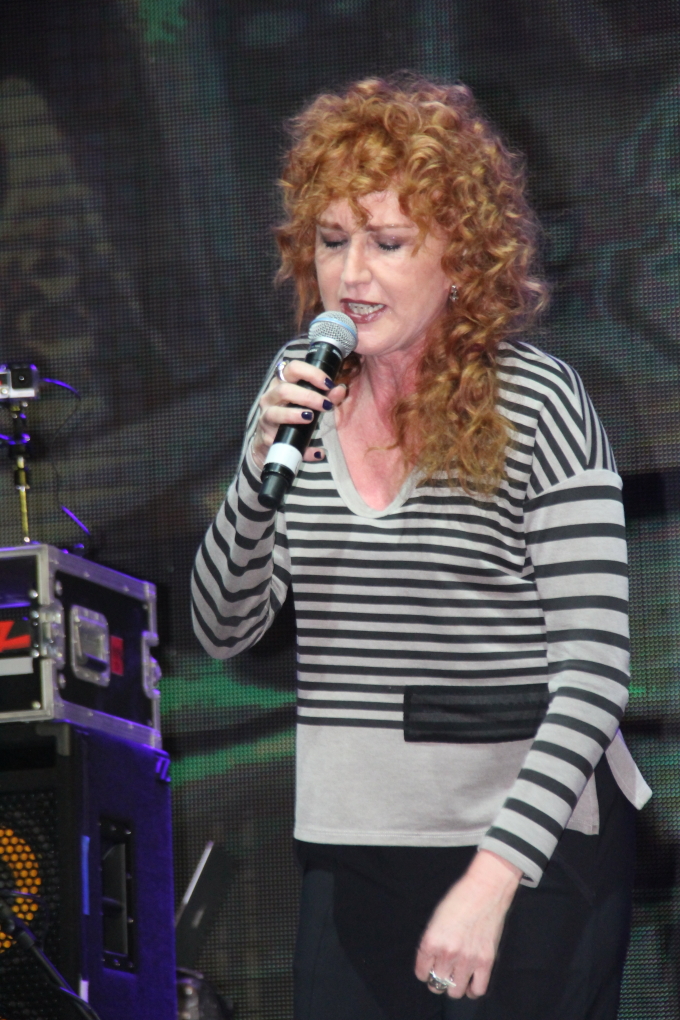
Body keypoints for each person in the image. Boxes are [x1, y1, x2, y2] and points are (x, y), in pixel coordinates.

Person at [192, 76, 651, 1020]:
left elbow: (596, 671)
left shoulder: (539, 403)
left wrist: (491, 880)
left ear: (462, 259)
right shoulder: (298, 392)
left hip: (531, 848)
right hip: (354, 846)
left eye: (388, 243)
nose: (352, 275)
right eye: (332, 242)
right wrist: (255, 470)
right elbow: (224, 628)